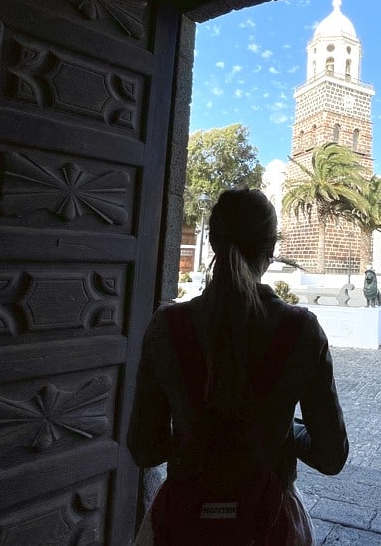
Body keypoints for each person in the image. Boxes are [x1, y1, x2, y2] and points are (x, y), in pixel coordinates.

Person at [128, 188, 348, 544]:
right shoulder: (301, 331)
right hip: (266, 522)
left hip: (184, 522)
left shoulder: (167, 327)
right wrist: (282, 427)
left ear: (213, 241)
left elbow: (145, 448)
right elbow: (331, 455)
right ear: (271, 249)